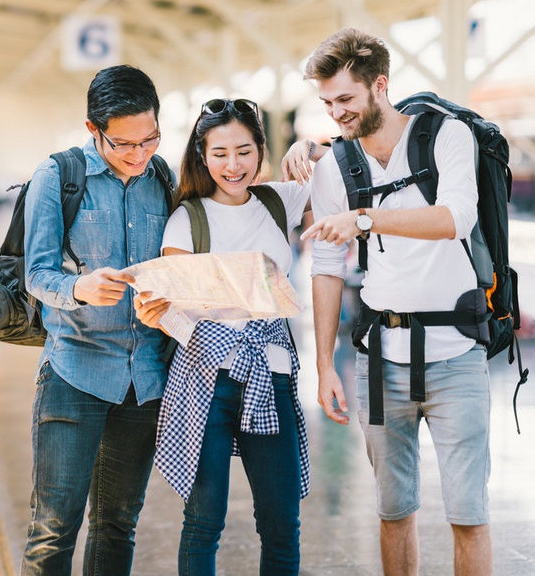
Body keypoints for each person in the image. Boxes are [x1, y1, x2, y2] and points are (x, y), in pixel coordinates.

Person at [298, 29, 492, 576]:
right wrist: (322, 367)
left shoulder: (447, 137)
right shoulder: (335, 165)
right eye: (328, 103)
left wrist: (365, 218)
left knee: (469, 515)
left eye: (346, 100)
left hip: (458, 357)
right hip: (381, 363)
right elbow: (327, 266)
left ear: (379, 86)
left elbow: (456, 218)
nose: (336, 113)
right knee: (392, 510)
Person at [134, 98, 322, 575]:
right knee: (203, 522)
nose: (232, 165)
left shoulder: (282, 199)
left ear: (261, 150)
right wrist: (161, 316)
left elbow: (348, 166)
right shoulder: (187, 219)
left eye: (244, 151)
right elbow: (172, 310)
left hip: (273, 372)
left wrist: (311, 147)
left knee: (282, 523)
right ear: (202, 156)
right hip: (205, 380)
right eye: (219, 153)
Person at [21, 64, 175, 576]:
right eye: (124, 144)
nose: (139, 155)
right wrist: (77, 289)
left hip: (144, 380)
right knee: (53, 529)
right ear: (93, 130)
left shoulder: (165, 178)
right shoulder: (57, 176)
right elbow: (36, 273)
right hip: (73, 372)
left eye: (149, 139)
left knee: (117, 525)